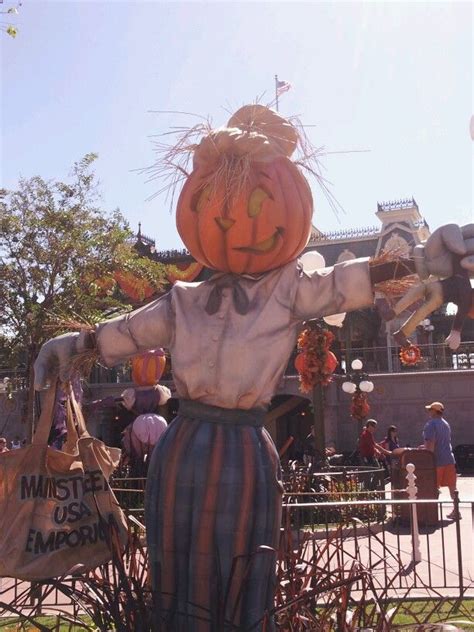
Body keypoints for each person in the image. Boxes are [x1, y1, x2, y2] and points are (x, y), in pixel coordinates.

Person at [33, 103, 474, 631]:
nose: (227, 219)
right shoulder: (183, 300)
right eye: (210, 203)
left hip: (244, 451)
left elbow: (348, 280)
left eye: (257, 203)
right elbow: (126, 332)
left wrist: (423, 258)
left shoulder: (289, 292)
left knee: (245, 569)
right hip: (184, 451)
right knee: (178, 568)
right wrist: (76, 342)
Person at [422, 401, 460, 520]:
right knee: (453, 488)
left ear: (434, 411)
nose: (429, 412)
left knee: (433, 487)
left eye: (430, 410)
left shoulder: (430, 424)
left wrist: (426, 458)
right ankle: (457, 511)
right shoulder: (446, 424)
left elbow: (431, 444)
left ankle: (431, 514)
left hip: (437, 461)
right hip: (449, 459)